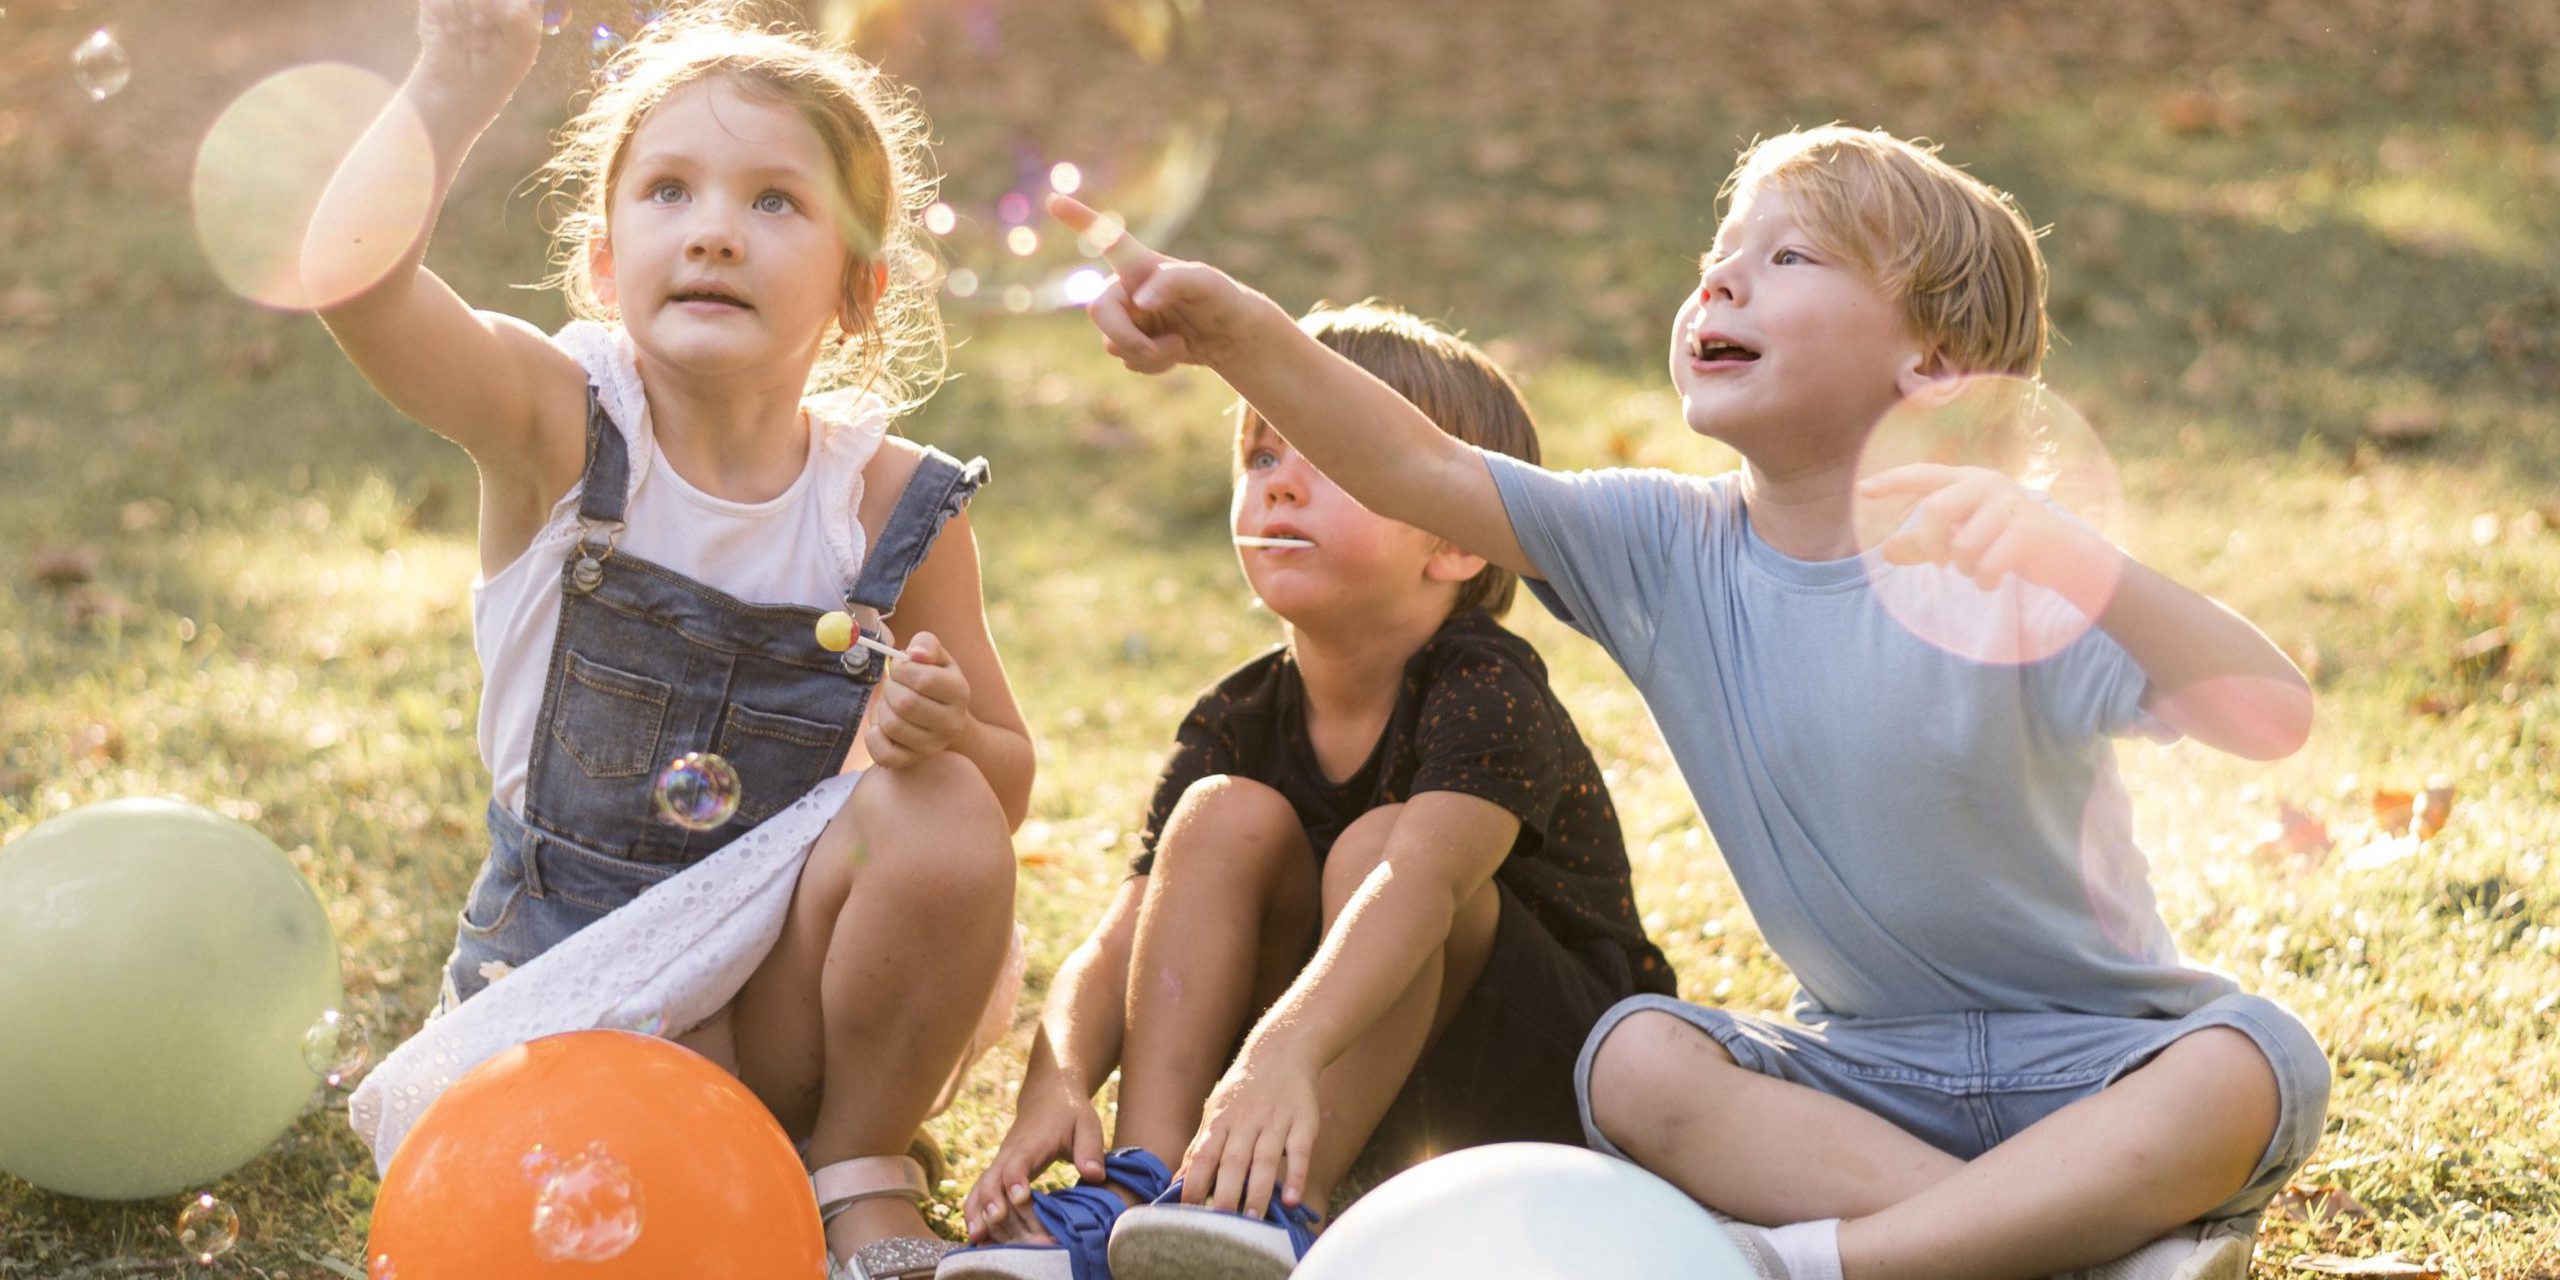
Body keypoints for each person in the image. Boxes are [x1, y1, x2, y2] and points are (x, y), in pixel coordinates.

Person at [1044, 122, 2329, 1280]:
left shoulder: (2020, 566)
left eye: (1790, 259)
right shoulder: (1664, 549)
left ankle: (1819, 1263)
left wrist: (2082, 564)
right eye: (1719, 254)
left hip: (2096, 1065)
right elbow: (1417, 462)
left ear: (1931, 361)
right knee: (1632, 1059)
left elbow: (2270, 711)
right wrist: (1240, 338)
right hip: (1864, 1081)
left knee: (2251, 1060)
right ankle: (2070, 1248)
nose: (1719, 280)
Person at [310, 2, 1027, 1275]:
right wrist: (452, 83)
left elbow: (1002, 792)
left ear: (860, 289)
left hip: (774, 992)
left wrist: (943, 727)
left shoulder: (884, 505)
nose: (712, 227)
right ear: (600, 259)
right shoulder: (556, 426)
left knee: (943, 805)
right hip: (568, 988)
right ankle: (738, 1159)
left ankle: (857, 1169)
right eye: (670, 191)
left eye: (774, 203)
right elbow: (356, 288)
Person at [940, 304, 1674, 1280]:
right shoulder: (1237, 713)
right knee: (1221, 814)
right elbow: (1119, 936)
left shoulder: (1486, 685)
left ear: (1455, 538)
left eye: (1329, 455)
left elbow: (1421, 878)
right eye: (1259, 455)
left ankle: (1272, 1211)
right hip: (1302, 1077)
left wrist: (1282, 1047)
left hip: (1540, 1077)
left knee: (1383, 845)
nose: (1279, 481)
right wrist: (1059, 1079)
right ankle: (1145, 1181)